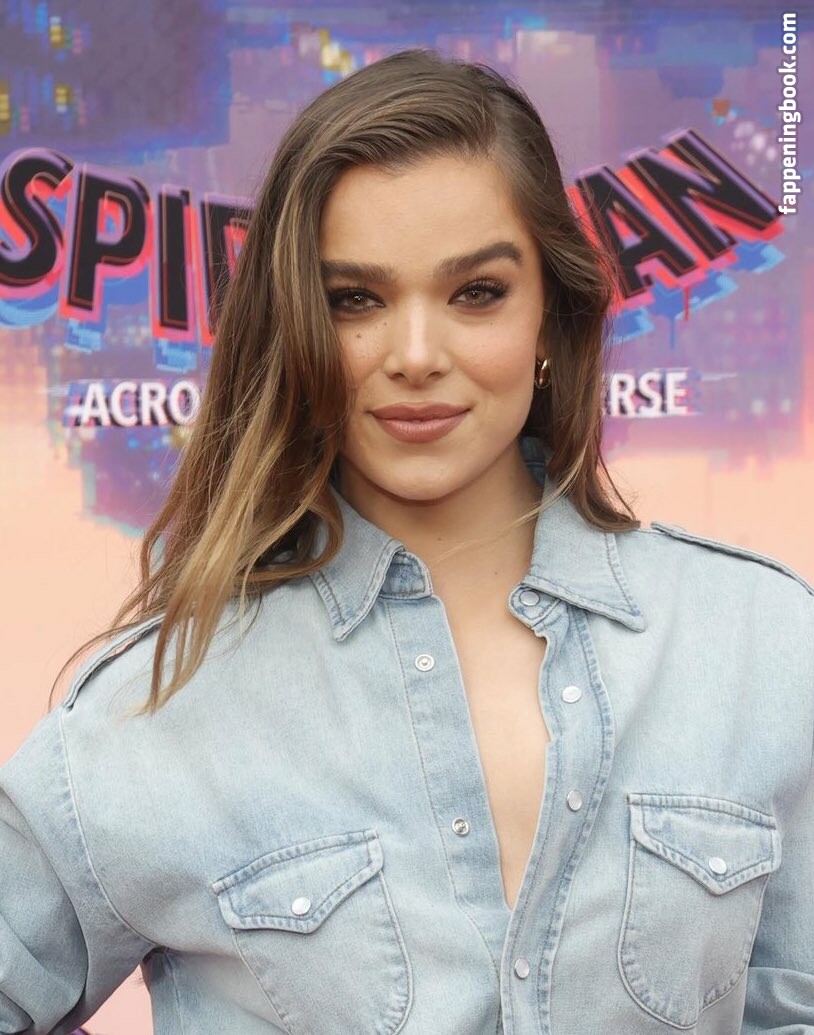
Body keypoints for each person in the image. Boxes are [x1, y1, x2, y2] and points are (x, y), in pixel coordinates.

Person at [1, 47, 812, 1035]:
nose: (416, 356)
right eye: (355, 300)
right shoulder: (163, 700)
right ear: (294, 326)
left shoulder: (762, 643)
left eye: (476, 292)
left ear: (551, 317)